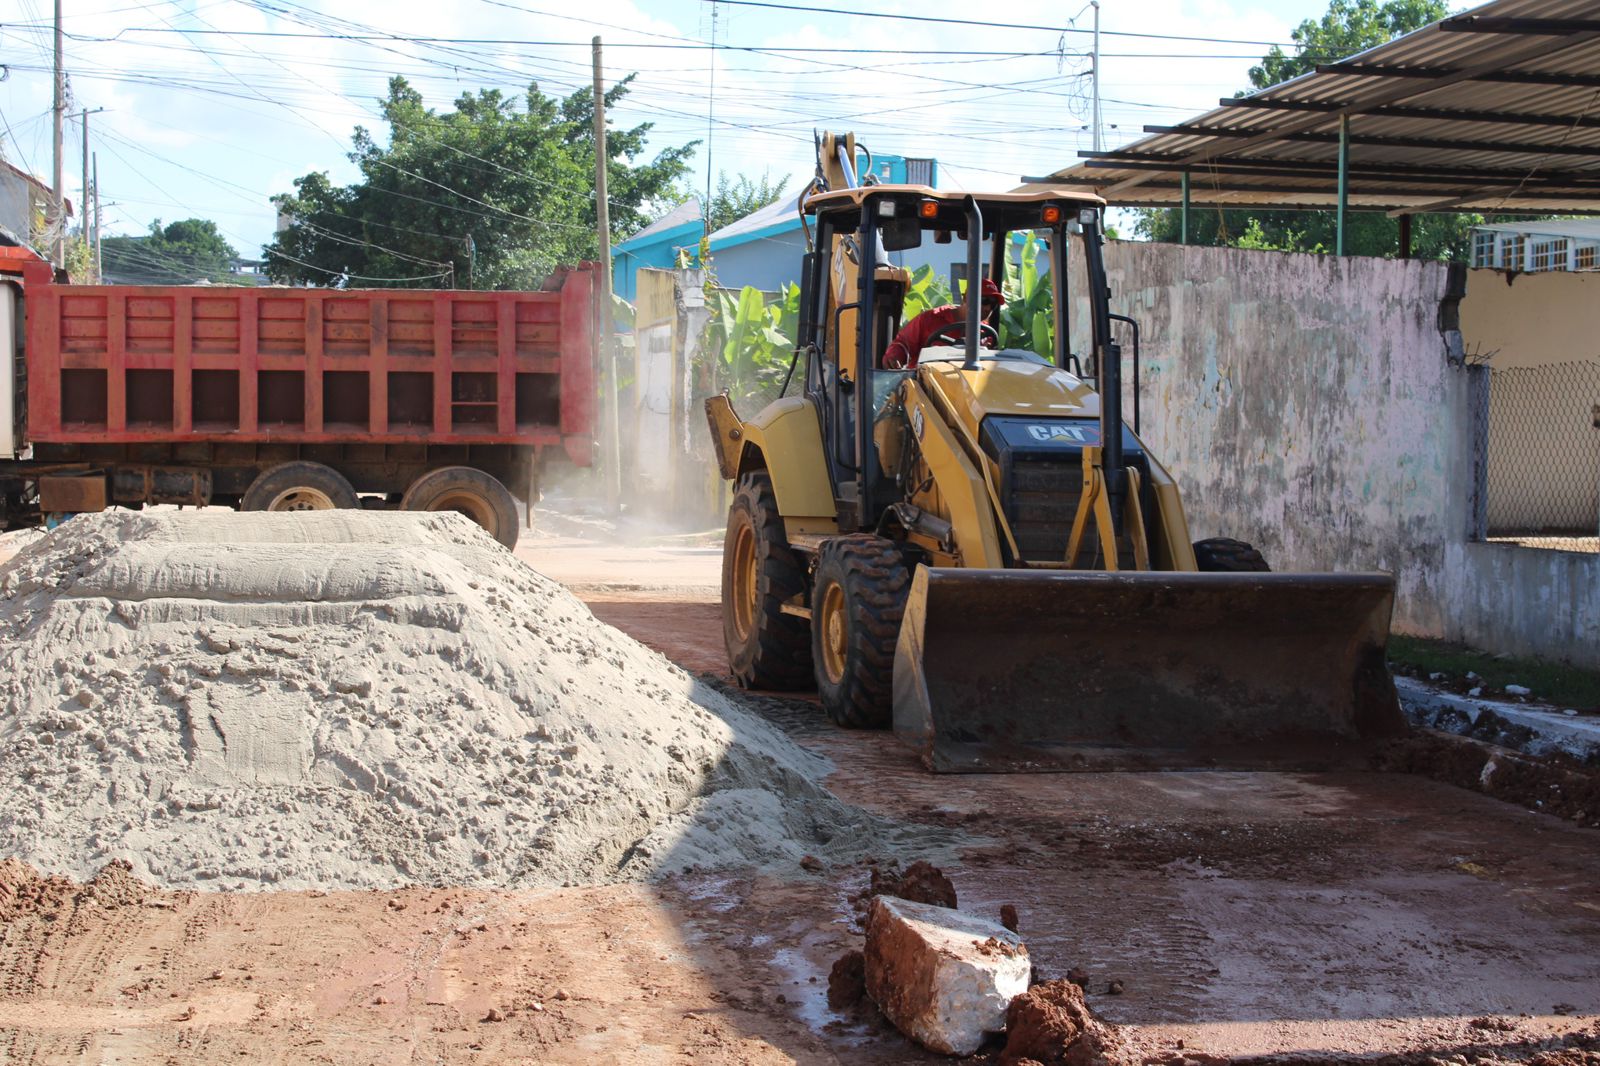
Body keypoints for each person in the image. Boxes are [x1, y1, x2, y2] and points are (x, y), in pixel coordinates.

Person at [882, 277, 1005, 370]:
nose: (988, 308)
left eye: (993, 305)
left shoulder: (986, 333)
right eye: (984, 301)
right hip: (925, 385)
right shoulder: (931, 318)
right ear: (966, 299)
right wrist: (895, 356)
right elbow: (903, 343)